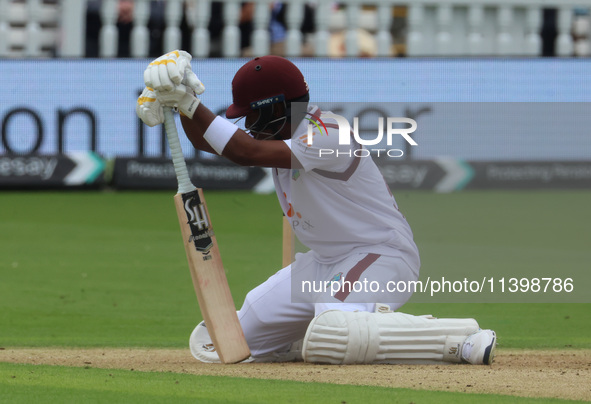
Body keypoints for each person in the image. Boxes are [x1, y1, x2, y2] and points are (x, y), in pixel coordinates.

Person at [136, 50, 497, 365]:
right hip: (323, 263)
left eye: (251, 115)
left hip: (380, 256)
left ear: (276, 107)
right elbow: (211, 144)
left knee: (335, 328)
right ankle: (303, 339)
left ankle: (456, 338)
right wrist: (177, 99)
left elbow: (245, 152)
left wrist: (190, 104)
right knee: (229, 340)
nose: (247, 125)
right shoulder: (287, 133)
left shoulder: (327, 132)